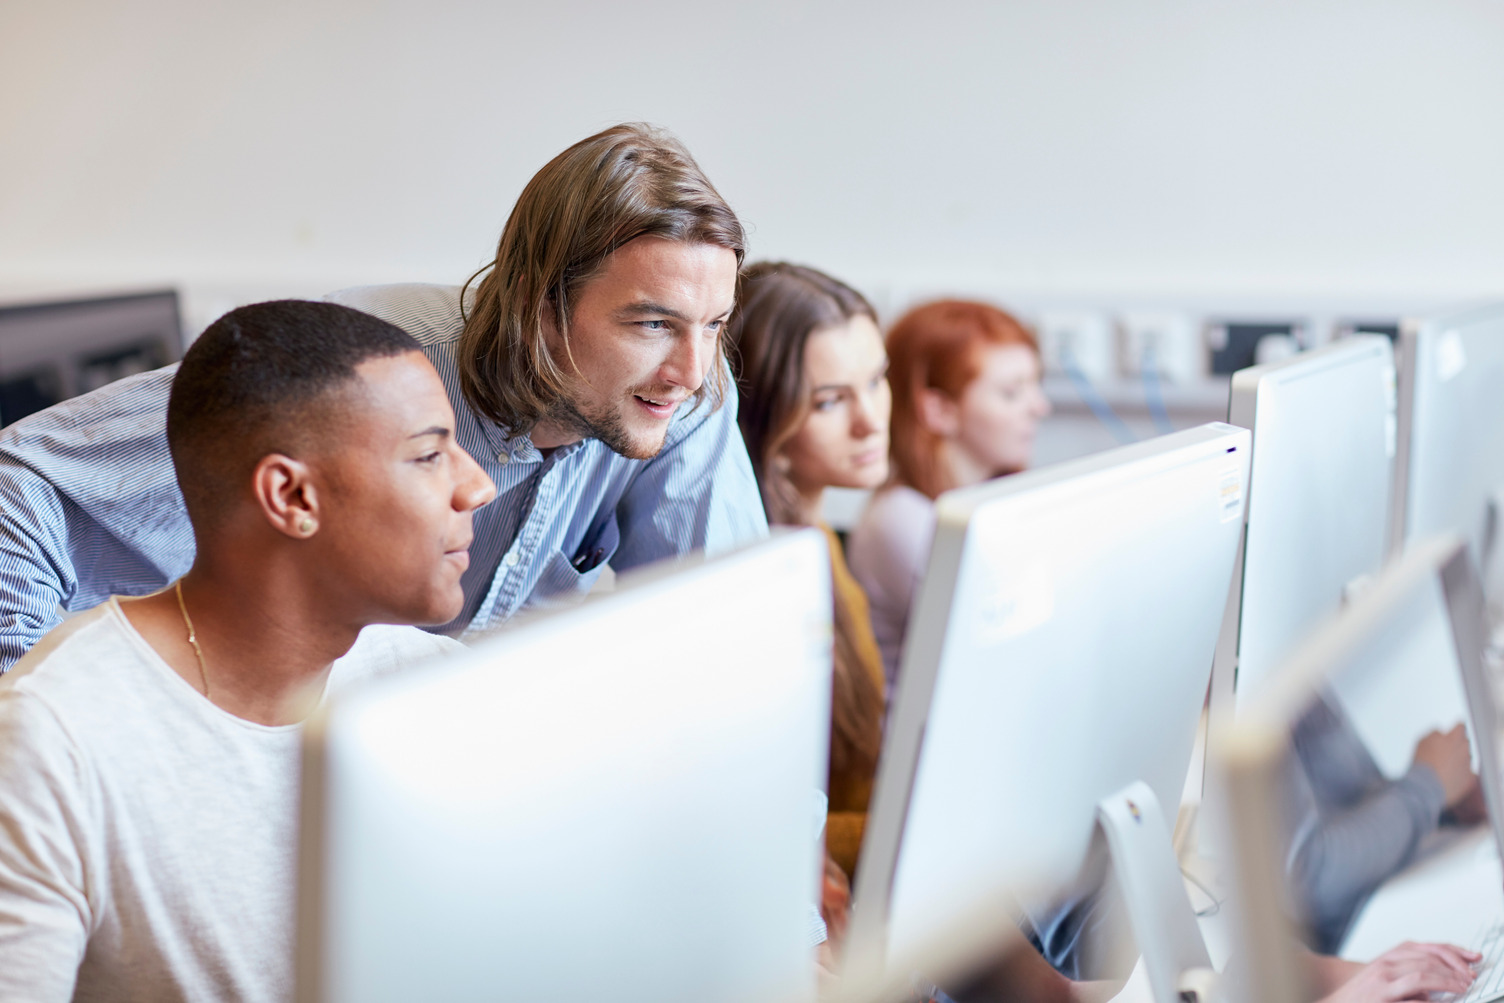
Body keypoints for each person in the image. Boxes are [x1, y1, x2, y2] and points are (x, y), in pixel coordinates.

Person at [0, 122, 765, 671]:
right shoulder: (365, 363)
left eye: (715, 324)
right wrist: (44, 721)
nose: (692, 369)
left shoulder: (683, 399)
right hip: (166, 716)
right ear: (540, 305)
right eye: (654, 323)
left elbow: (733, 658)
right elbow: (16, 486)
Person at [0, 300, 496, 1001]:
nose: (479, 485)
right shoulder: (51, 737)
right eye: (428, 455)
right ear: (292, 496)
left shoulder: (433, 691)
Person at [726, 261, 889, 882]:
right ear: (762, 417)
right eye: (829, 401)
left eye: (877, 380)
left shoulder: (818, 539)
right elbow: (773, 837)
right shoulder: (761, 578)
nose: (871, 420)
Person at [846, 299, 1050, 691]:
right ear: (938, 409)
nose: (1039, 406)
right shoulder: (901, 520)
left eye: (1035, 385)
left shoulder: (988, 503)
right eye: (1011, 393)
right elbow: (1013, 656)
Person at [1286, 696, 1485, 952]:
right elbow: (1314, 881)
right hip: (1373, 931)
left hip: (1412, 884)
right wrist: (1429, 786)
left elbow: (1358, 801)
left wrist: (1447, 805)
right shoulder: (1244, 694)